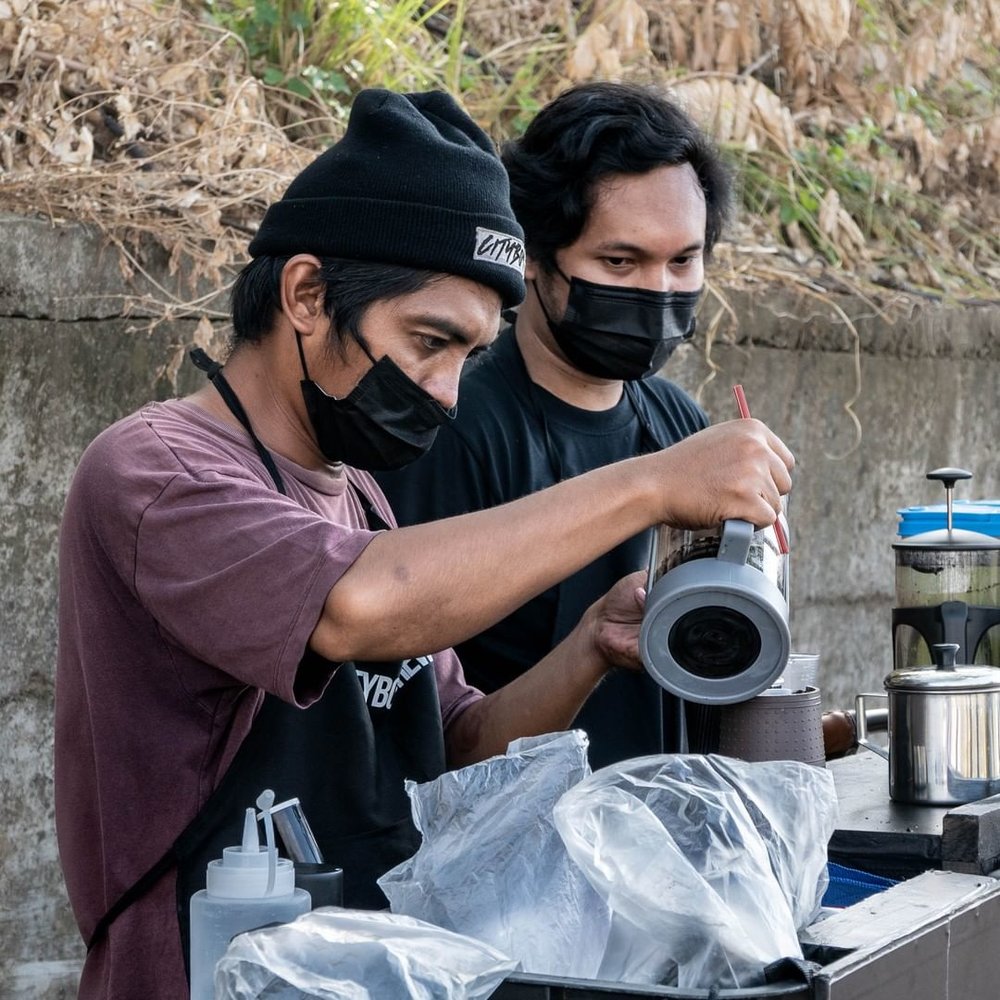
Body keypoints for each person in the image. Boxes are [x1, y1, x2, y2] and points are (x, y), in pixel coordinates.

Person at [55, 88, 793, 999]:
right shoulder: (157, 473)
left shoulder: (360, 499)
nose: (446, 394)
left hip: (378, 971)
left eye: (468, 357)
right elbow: (355, 608)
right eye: (428, 341)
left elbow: (461, 747)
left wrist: (592, 646)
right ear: (308, 294)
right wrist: (648, 483)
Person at [376, 82, 733, 767]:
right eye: (619, 262)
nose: (659, 292)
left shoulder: (680, 425)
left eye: (683, 261)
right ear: (534, 256)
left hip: (656, 841)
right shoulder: (451, 428)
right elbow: (407, 704)